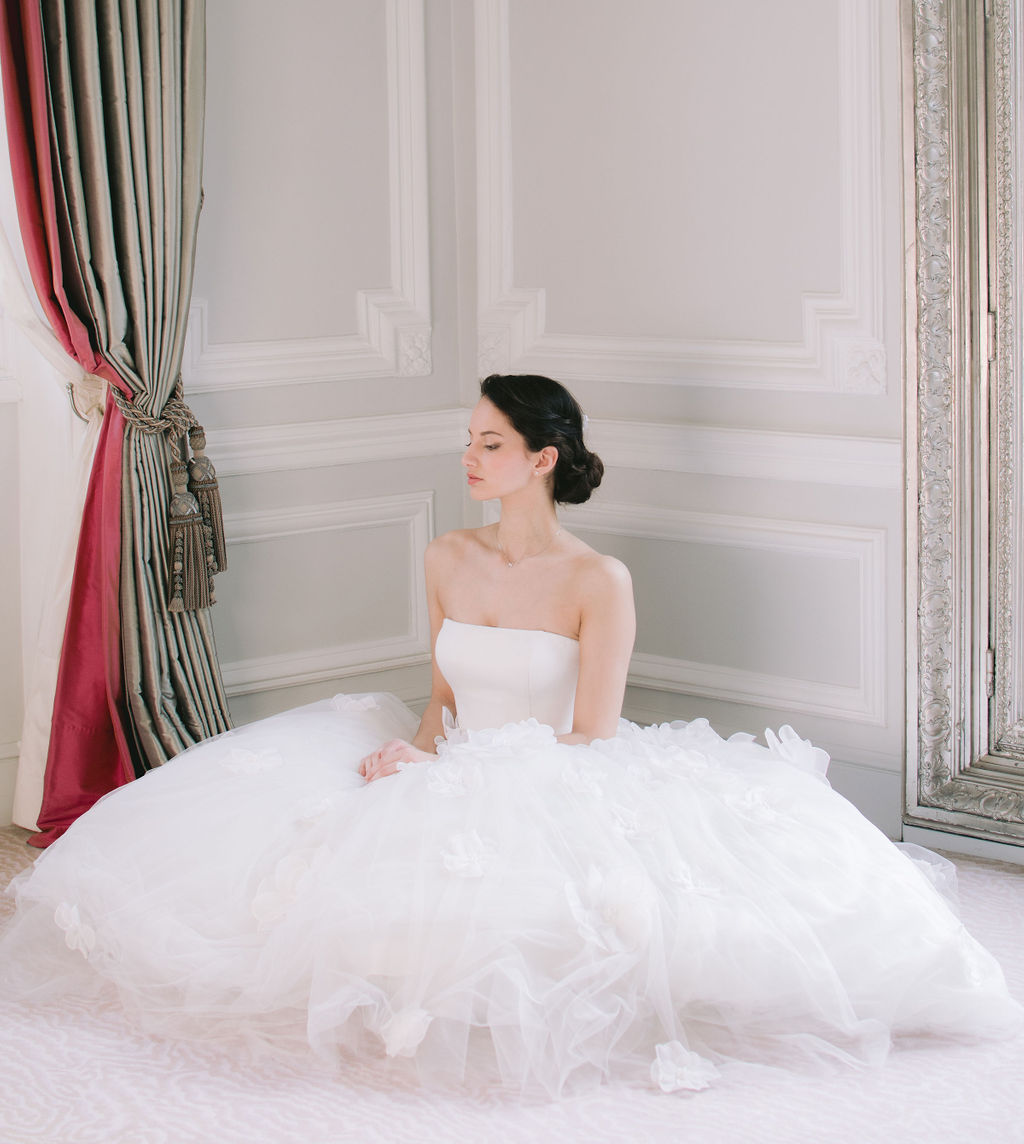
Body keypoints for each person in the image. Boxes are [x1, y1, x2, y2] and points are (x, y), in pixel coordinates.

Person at [0, 373, 1020, 1101]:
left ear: (543, 458)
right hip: (457, 751)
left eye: (489, 442)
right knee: (276, 867)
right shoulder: (447, 553)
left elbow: (592, 734)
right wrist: (421, 749)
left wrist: (469, 776)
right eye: (469, 439)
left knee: (562, 926)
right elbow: (440, 694)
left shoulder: (595, 581)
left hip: (556, 770)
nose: (468, 457)